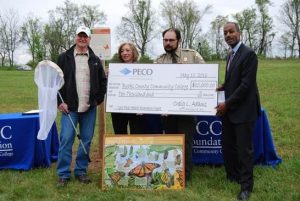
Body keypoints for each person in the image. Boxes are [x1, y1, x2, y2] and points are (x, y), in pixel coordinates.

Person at [56, 25, 107, 186]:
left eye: (85, 36)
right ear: (75, 37)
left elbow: (103, 82)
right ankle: (63, 173)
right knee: (66, 139)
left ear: (89, 39)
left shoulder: (95, 59)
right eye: (80, 35)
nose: (82, 38)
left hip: (89, 108)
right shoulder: (64, 57)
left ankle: (80, 171)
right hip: (69, 108)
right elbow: (55, 83)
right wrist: (60, 102)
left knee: (85, 141)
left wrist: (97, 101)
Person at [216, 22, 261, 201]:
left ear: (239, 33)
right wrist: (223, 87)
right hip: (230, 109)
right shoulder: (230, 55)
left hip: (244, 110)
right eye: (225, 32)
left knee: (244, 151)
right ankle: (233, 176)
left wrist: (226, 104)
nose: (228, 35)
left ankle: (246, 187)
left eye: (231, 31)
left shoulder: (249, 54)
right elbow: (232, 81)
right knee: (228, 145)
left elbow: (246, 85)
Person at [155, 28, 205, 181]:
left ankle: (185, 176)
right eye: (165, 40)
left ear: (179, 40)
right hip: (167, 112)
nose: (168, 43)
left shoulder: (192, 55)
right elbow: (154, 86)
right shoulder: (159, 61)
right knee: (171, 142)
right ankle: (171, 173)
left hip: (187, 110)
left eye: (171, 40)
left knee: (185, 142)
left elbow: (205, 76)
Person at [111, 42, 145, 134]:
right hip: (118, 109)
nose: (124, 53)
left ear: (133, 52)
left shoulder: (142, 69)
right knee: (119, 135)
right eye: (122, 51)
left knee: (136, 135)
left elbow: (145, 89)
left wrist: (142, 107)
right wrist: (109, 78)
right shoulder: (115, 70)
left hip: (136, 109)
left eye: (127, 50)